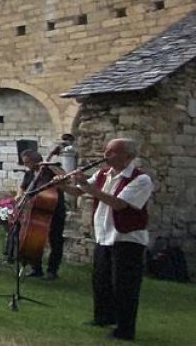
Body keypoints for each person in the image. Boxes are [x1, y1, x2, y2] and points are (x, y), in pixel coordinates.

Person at [66, 138, 153, 341]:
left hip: (127, 238)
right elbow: (78, 190)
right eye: (107, 150)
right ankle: (103, 317)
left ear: (128, 156)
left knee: (124, 285)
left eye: (113, 152)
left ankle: (124, 329)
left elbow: (119, 204)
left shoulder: (141, 179)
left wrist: (87, 187)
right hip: (104, 234)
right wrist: (62, 183)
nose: (106, 155)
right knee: (101, 280)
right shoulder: (103, 173)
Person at [14, 149, 66, 279]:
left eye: (28, 162)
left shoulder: (50, 170)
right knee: (34, 239)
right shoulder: (30, 174)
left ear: (36, 160)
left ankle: (52, 271)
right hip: (36, 211)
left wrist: (49, 164)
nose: (26, 165)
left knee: (55, 240)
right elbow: (22, 188)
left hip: (54, 209)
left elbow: (65, 176)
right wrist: (19, 197)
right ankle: (35, 268)